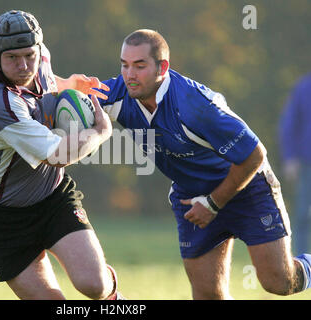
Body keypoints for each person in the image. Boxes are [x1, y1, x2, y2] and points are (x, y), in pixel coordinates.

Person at [96, 29, 311, 299]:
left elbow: (255, 154)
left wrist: (213, 203)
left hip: (246, 185)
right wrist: (39, 69)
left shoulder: (195, 106)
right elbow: (69, 90)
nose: (129, 74)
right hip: (191, 197)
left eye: (140, 66)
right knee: (208, 295)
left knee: (278, 281)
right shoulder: (119, 91)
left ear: (162, 67)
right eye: (124, 65)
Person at [0, 10, 123, 300]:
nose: (24, 65)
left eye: (30, 55)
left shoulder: (39, 57)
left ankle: (117, 298)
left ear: (39, 48)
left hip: (52, 197)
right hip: (3, 216)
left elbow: (45, 77)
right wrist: (101, 133)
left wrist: (67, 85)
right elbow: (55, 155)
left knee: (96, 285)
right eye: (12, 58)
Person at [279, 73, 311, 255]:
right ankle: (302, 261)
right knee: (302, 215)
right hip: (307, 162)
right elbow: (289, 124)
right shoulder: (303, 88)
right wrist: (290, 157)